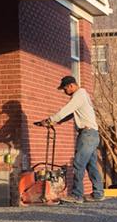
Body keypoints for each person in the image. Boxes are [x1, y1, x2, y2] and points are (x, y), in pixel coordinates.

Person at [40, 75, 104, 204]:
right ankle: (98, 193)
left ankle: (77, 195)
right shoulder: (84, 95)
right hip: (93, 134)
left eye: (64, 89)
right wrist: (57, 122)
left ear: (71, 86)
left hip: (86, 135)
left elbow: (66, 110)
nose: (64, 92)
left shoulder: (78, 95)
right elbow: (71, 114)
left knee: (78, 164)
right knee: (91, 166)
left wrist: (50, 120)